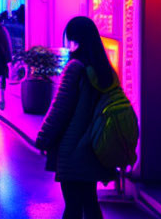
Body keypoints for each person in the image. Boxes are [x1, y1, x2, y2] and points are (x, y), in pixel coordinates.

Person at [35, 16, 118, 219]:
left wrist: (43, 139)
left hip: (73, 147)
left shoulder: (75, 67)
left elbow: (60, 109)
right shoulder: (105, 69)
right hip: (94, 144)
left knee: (73, 205)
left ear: (74, 38)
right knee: (90, 202)